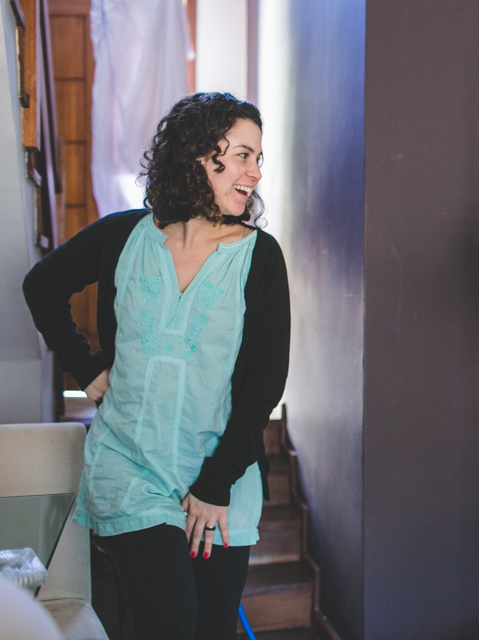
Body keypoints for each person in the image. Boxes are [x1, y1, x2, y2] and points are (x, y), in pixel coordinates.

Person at [23, 92, 290, 640]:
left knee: (212, 628)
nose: (254, 173)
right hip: (131, 467)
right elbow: (41, 285)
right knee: (170, 621)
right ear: (197, 155)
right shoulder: (122, 236)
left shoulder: (261, 258)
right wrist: (85, 365)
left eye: (259, 158)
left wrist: (215, 484)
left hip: (219, 474)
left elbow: (266, 380)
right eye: (241, 155)